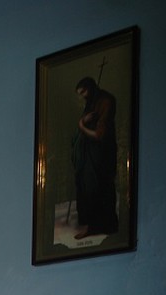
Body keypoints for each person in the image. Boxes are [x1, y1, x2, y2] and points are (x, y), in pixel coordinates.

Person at [71, 76, 118, 239]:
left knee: (99, 188)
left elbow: (99, 134)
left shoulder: (105, 101)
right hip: (89, 155)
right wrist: (83, 122)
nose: (82, 96)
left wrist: (81, 126)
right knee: (87, 188)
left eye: (83, 92)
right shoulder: (90, 103)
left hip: (101, 155)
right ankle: (91, 225)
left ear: (90, 88)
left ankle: (102, 226)